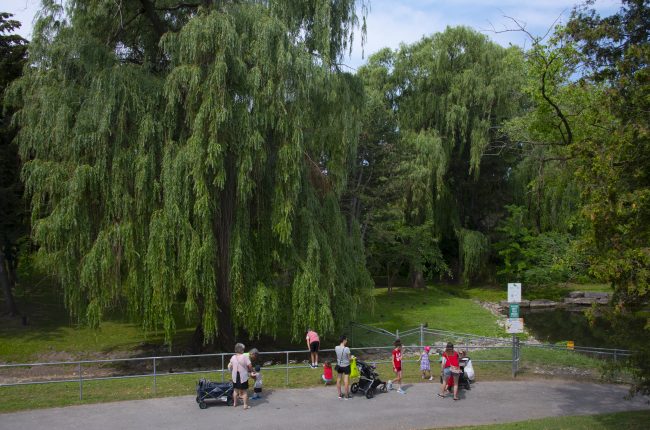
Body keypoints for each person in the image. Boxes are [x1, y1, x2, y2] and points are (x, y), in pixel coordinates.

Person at [228, 343, 253, 409]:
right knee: (244, 391)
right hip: (243, 376)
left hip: (235, 376)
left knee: (235, 390)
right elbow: (250, 365)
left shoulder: (233, 357)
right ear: (242, 350)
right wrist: (251, 371)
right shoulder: (245, 357)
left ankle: (235, 403)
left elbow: (230, 366)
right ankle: (245, 405)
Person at [335, 335, 351, 399]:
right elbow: (349, 359)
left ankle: (339, 394)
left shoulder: (336, 347)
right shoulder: (347, 349)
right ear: (344, 340)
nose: (346, 341)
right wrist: (352, 357)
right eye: (346, 340)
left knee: (338, 379)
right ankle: (346, 395)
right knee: (346, 380)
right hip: (346, 366)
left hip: (339, 366)